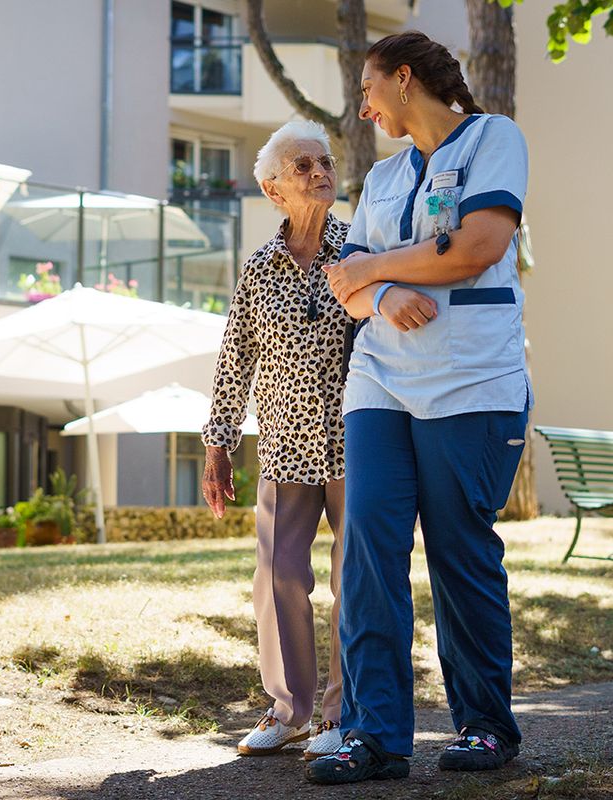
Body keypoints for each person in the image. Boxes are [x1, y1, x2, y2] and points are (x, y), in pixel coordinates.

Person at [304, 31, 532, 785]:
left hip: (471, 383)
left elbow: (478, 247)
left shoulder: (494, 140)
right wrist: (382, 288)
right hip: (381, 384)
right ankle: (374, 735)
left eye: (370, 88)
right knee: (368, 548)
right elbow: (346, 283)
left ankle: (484, 726)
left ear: (405, 79)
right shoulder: (386, 176)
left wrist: (372, 265)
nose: (364, 106)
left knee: (459, 553)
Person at [201, 119, 436, 761]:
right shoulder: (258, 269)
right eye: (302, 166)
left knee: (352, 579)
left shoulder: (360, 248)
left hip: (359, 440)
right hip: (283, 445)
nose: (319, 172)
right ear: (275, 190)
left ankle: (343, 715)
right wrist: (218, 443)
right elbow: (235, 360)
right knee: (277, 576)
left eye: (324, 161)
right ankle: (290, 711)